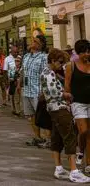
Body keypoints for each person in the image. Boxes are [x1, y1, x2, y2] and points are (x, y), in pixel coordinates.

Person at [41, 48, 90, 183]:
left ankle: (59, 168)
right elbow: (53, 92)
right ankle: (74, 171)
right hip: (59, 108)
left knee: (57, 137)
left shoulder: (49, 72)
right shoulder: (48, 73)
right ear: (52, 60)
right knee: (70, 137)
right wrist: (66, 94)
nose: (61, 64)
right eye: (59, 61)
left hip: (53, 109)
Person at [65, 39, 90, 174]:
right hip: (78, 102)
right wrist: (68, 96)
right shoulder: (71, 65)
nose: (86, 55)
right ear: (78, 53)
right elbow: (67, 83)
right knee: (84, 131)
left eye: (88, 52)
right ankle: (81, 151)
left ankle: (88, 163)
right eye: (83, 52)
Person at [22, 35, 48, 147]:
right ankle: (38, 137)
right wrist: (19, 84)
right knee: (31, 116)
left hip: (37, 91)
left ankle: (48, 139)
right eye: (32, 41)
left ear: (41, 45)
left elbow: (45, 75)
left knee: (43, 116)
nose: (32, 43)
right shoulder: (26, 56)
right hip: (27, 90)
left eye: (35, 41)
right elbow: (23, 72)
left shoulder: (43, 57)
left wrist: (44, 91)